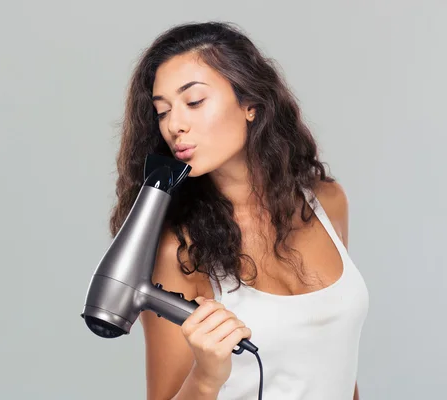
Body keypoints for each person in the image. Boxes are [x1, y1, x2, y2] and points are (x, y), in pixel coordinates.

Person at [108, 21, 369, 400]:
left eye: (194, 102)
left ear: (250, 104)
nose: (175, 125)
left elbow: (337, 364)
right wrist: (206, 376)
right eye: (162, 112)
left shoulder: (327, 203)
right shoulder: (179, 253)